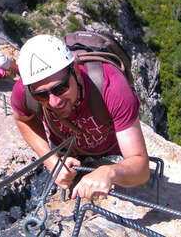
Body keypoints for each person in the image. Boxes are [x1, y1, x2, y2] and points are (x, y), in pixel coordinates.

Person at [10, 35, 150, 200]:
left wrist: (109, 172)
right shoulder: (26, 90)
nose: (54, 102)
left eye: (60, 88)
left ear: (75, 70)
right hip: (69, 153)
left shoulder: (111, 86)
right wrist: (52, 161)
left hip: (112, 152)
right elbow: (23, 120)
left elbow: (141, 169)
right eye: (42, 96)